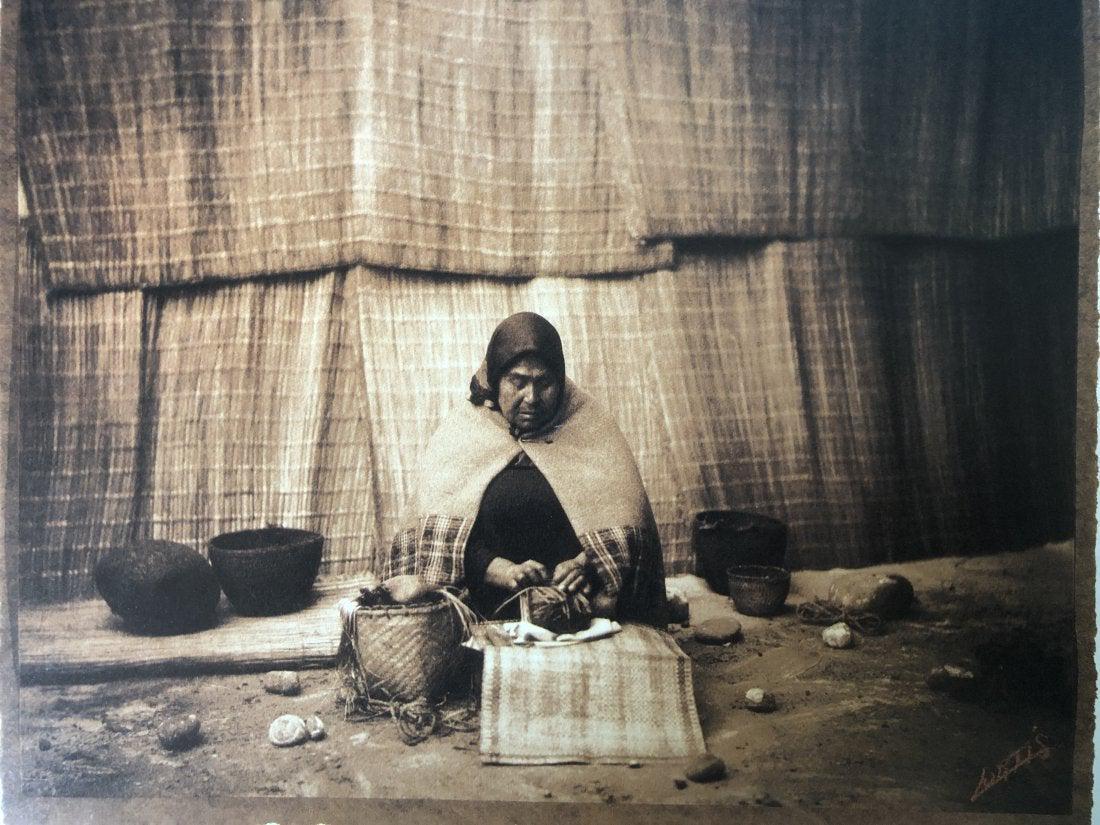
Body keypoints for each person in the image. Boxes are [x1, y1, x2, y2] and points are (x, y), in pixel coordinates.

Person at [383, 312, 666, 626]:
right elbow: (436, 536)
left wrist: (587, 563)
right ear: (497, 381)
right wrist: (495, 569)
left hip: (577, 605)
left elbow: (629, 520)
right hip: (484, 608)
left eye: (544, 383)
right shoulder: (463, 431)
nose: (531, 398)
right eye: (518, 382)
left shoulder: (589, 424)